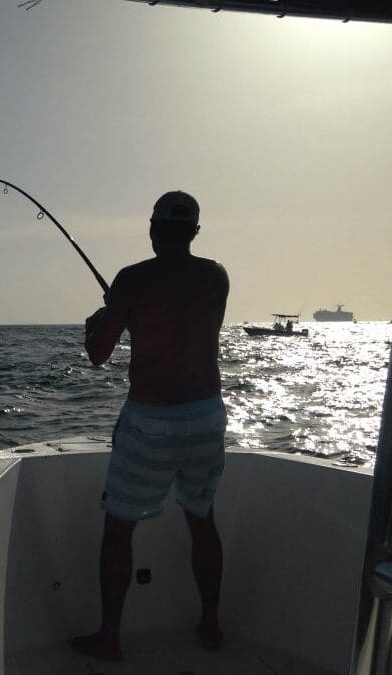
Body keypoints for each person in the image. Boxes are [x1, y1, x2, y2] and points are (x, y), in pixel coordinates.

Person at [74, 190, 229, 663]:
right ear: (194, 233)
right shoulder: (216, 277)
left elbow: (98, 353)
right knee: (202, 520)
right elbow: (189, 329)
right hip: (206, 416)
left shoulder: (132, 279)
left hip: (151, 424)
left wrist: (100, 318)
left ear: (153, 229)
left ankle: (110, 638)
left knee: (119, 529)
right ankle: (210, 625)